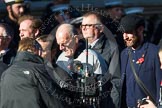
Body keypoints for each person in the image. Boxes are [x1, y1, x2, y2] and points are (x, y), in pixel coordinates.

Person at [0, 37, 72, 108]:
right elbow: (55, 103)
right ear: (37, 50)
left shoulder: (6, 73)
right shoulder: (40, 70)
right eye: (41, 50)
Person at [119, 14, 162, 108]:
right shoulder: (123, 54)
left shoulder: (154, 52)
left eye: (129, 32)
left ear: (140, 30)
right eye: (123, 33)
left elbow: (160, 84)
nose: (124, 37)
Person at [81, 11, 121, 108]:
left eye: (88, 25)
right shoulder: (81, 48)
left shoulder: (112, 48)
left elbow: (116, 82)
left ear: (101, 28)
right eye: (82, 26)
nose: (84, 28)